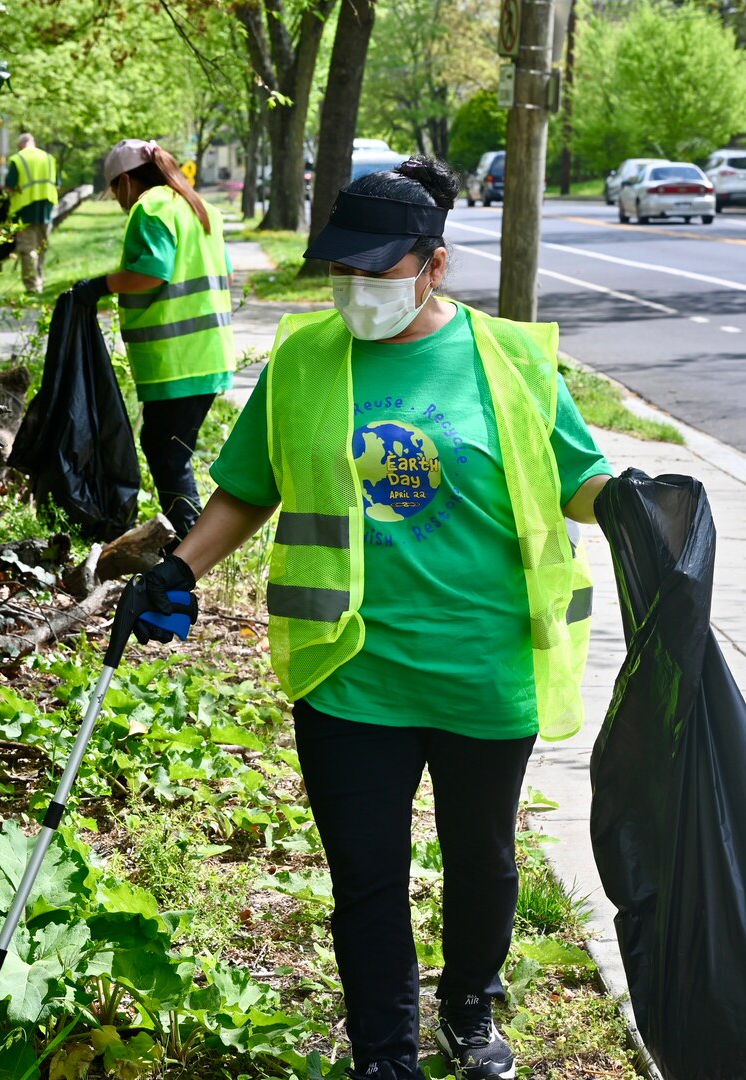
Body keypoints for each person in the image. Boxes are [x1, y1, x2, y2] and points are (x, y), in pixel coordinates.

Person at [124, 157, 614, 1080]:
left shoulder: (508, 359)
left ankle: (470, 1007)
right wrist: (176, 569)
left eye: (376, 273)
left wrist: (633, 504)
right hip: (348, 668)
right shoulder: (303, 360)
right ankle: (382, 1055)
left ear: (432, 266)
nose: (355, 291)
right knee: (366, 879)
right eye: (342, 271)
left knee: (482, 861)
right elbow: (244, 491)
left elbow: (577, 478)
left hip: (483, 660)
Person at [70, 138, 235, 540]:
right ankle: (187, 544)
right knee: (167, 448)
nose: (117, 200)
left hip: (176, 358)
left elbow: (153, 272)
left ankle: (189, 547)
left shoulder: (151, 207)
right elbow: (225, 274)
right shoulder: (198, 206)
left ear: (126, 180)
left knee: (168, 454)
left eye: (114, 191)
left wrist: (100, 285)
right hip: (210, 356)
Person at [5, 133, 59, 294]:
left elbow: (9, 186)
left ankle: (32, 286)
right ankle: (40, 279)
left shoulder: (18, 159)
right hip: (47, 209)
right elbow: (57, 184)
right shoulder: (49, 158)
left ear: (20, 145)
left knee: (28, 249)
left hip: (24, 209)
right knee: (42, 246)